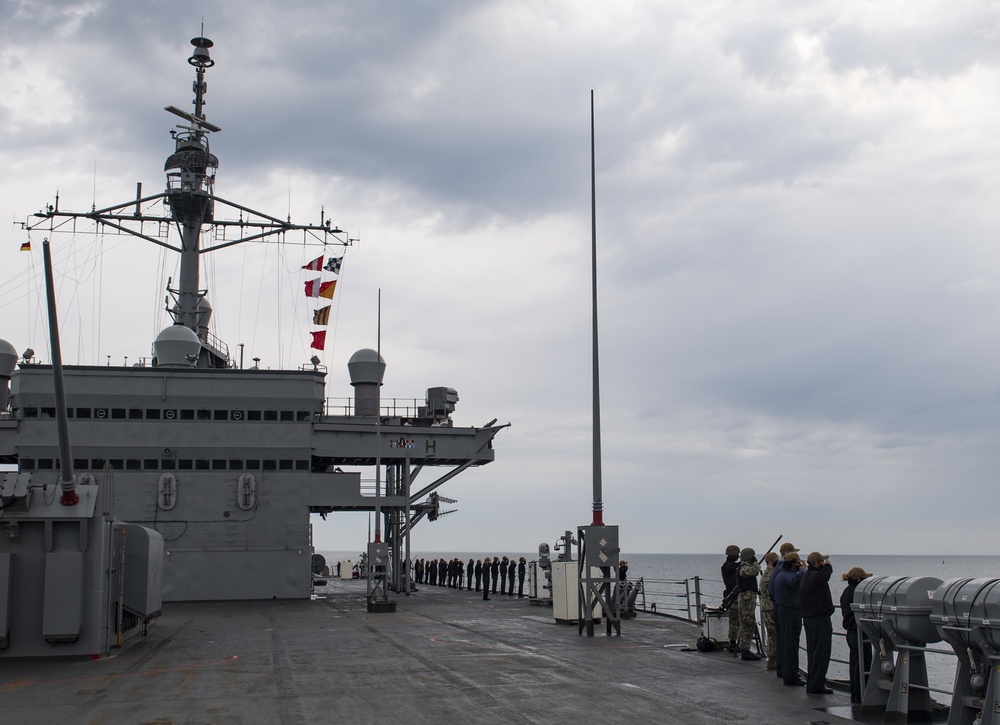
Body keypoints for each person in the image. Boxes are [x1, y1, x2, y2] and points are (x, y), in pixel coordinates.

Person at [800, 552, 835, 694]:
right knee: (821, 652)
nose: (823, 564)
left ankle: (813, 683)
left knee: (813, 652)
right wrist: (828, 566)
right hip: (818, 618)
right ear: (816, 564)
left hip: (810, 618)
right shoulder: (815, 576)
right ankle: (817, 685)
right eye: (821, 562)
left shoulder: (806, 577)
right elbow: (824, 576)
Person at [841, 566, 874, 704]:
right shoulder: (857, 592)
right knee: (862, 663)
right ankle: (861, 694)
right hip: (859, 631)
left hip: (851, 631)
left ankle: (855, 693)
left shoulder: (846, 591)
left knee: (855, 662)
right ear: (859, 579)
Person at [773, 551, 806, 686]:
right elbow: (795, 581)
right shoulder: (788, 576)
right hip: (790, 612)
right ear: (793, 564)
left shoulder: (780, 574)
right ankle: (791, 676)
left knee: (784, 644)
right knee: (791, 645)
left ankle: (785, 671)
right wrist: (803, 571)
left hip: (782, 610)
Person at [769, 542, 800, 679]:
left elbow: (771, 589)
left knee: (782, 642)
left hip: (779, 607)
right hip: (786, 608)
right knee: (789, 643)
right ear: (788, 553)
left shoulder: (777, 569)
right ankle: (789, 673)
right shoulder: (783, 569)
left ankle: (782, 669)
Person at [735, 547, 761, 660]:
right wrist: (756, 563)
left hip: (747, 598)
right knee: (747, 624)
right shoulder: (744, 568)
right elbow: (755, 571)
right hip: (747, 598)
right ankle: (745, 650)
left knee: (745, 623)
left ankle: (742, 647)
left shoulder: (742, 567)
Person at [759, 552, 779, 670]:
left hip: (767, 606)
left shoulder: (767, 574)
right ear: (771, 562)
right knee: (773, 634)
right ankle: (772, 659)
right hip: (770, 607)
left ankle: (772, 659)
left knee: (772, 634)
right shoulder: (771, 574)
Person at [721, 544, 741, 652]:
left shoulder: (725, 566)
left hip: (730, 596)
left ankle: (733, 642)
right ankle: (737, 643)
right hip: (733, 597)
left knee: (733, 622)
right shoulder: (731, 566)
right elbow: (739, 566)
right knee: (737, 621)